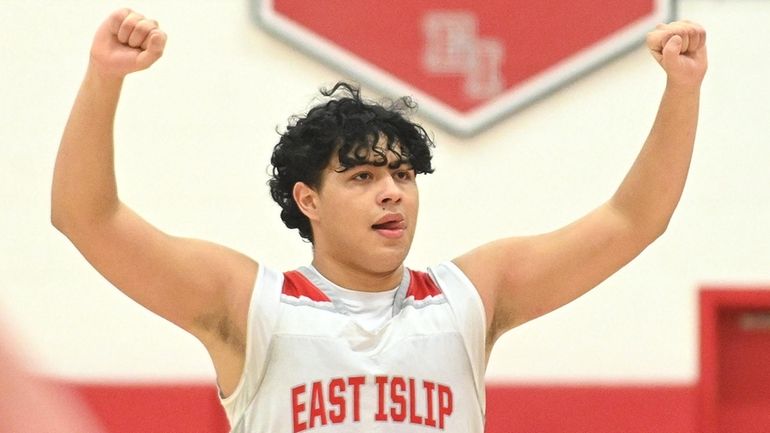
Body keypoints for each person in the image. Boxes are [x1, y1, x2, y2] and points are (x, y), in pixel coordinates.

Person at [51, 8, 707, 433]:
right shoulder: (249, 304)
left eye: (401, 176)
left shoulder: (471, 295)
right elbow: (86, 217)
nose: (390, 193)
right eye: (362, 177)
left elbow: (634, 218)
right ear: (308, 200)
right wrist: (104, 78)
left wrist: (682, 88)